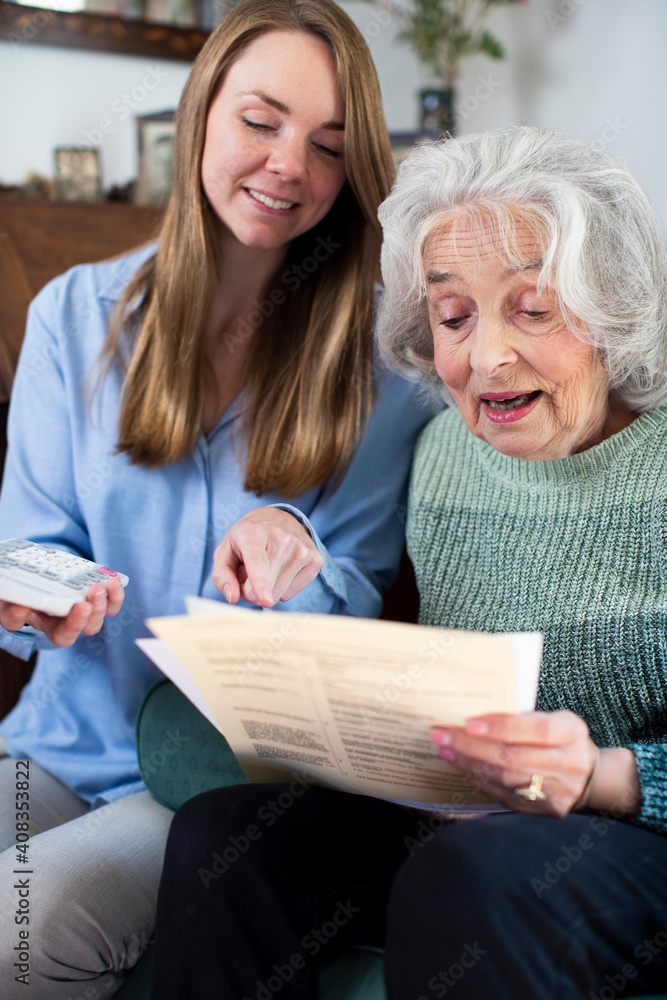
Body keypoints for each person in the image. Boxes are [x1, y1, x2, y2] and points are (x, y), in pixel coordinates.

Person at [149, 126, 667, 1000]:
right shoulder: (443, 456)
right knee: (220, 840)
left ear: (613, 308)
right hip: (463, 819)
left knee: (466, 868)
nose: (485, 356)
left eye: (533, 308)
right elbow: (374, 614)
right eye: (453, 316)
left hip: (630, 833)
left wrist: (601, 778)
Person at [0, 1, 433, 996]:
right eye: (261, 120)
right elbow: (30, 542)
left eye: (328, 145)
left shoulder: (386, 372)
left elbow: (351, 602)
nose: (290, 165)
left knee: (16, 934)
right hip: (55, 744)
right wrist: (37, 593)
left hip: (208, 776)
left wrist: (294, 541)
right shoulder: (73, 314)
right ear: (200, 115)